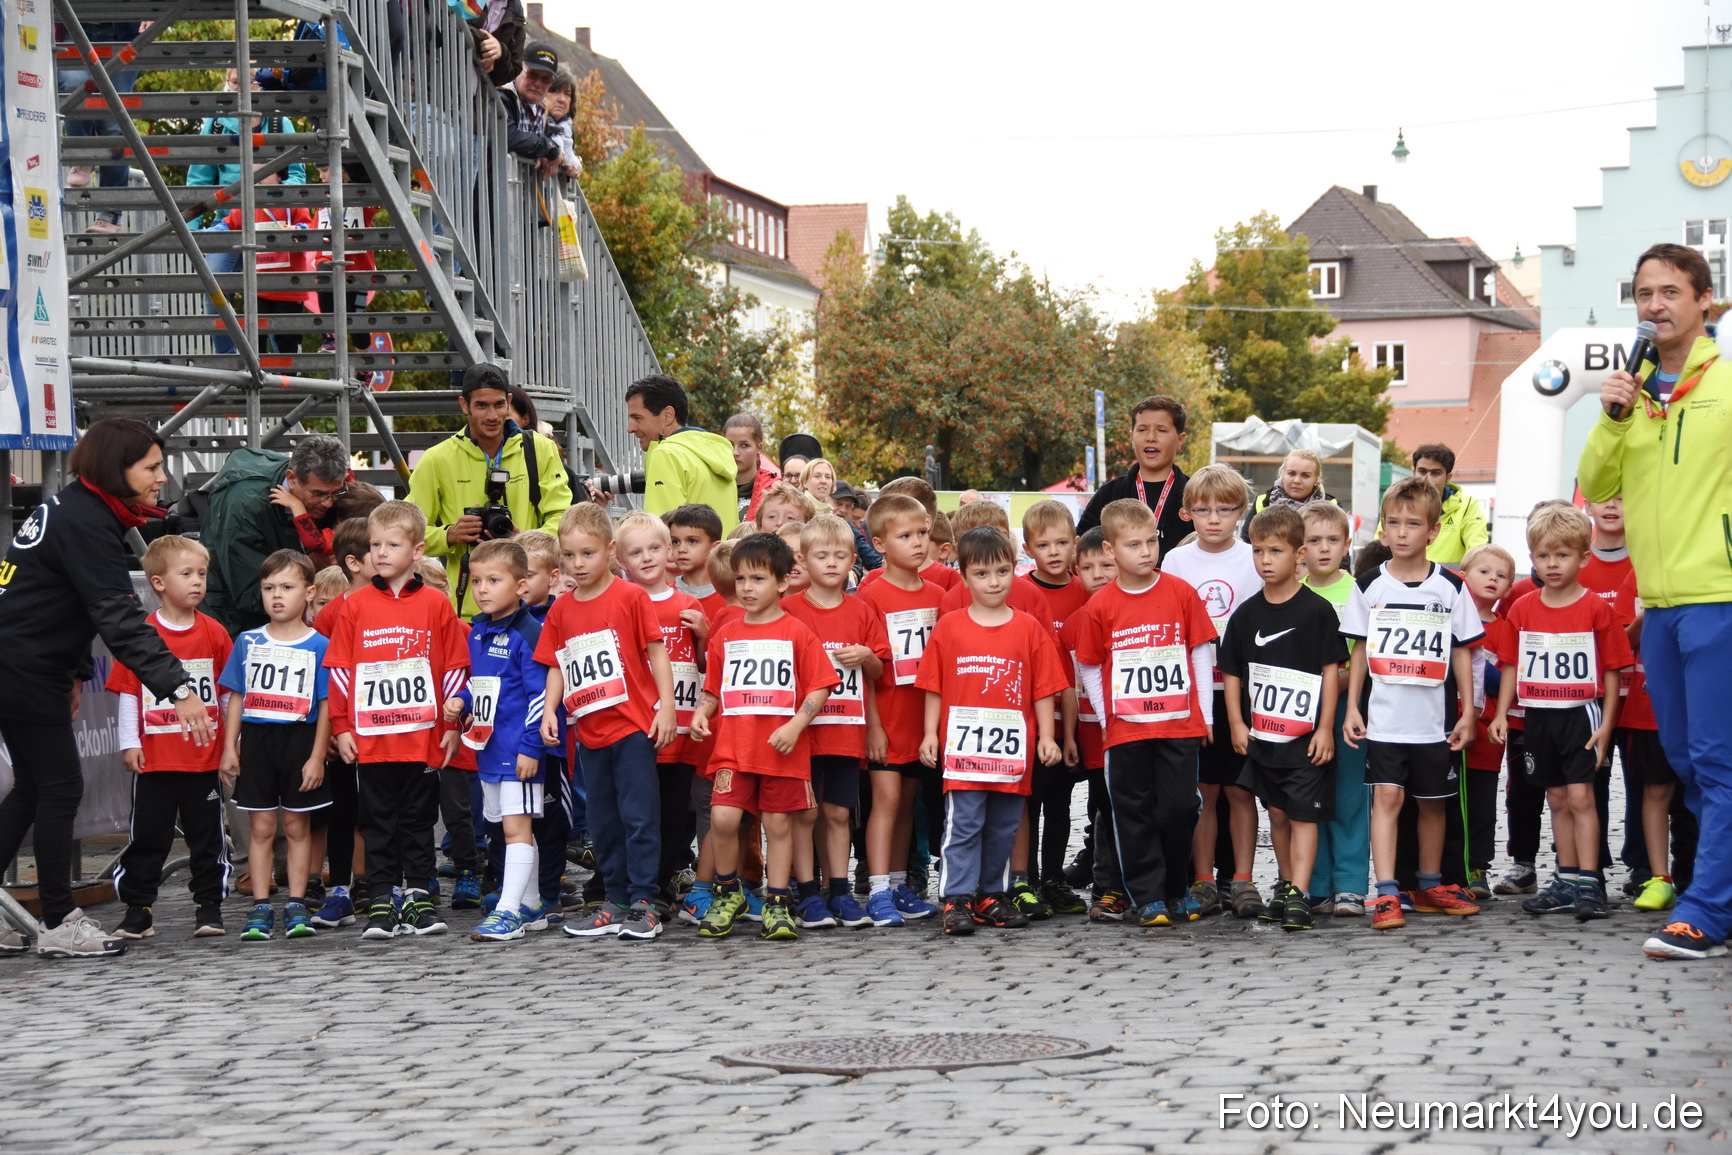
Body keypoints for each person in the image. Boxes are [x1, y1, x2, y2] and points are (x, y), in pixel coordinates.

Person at [0, 420, 213, 960]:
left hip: (27, 665)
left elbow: (56, 599)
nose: (161, 478)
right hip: (20, 666)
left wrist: (72, 675)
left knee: (31, 788)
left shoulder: (77, 509)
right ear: (113, 469)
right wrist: (179, 690)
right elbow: (118, 618)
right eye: (151, 468)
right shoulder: (86, 520)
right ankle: (58, 919)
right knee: (59, 788)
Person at [1581, 243, 1732, 961]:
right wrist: (1614, 415)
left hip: (1721, 597)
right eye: (1644, 292)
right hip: (1661, 606)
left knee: (1715, 756)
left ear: (1705, 300)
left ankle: (1705, 907)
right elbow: (1591, 478)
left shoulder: (1727, 386)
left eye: (1671, 290)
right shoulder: (1631, 398)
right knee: (1684, 759)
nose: (1655, 304)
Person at [1341, 477, 1484, 931]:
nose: (1402, 533)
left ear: (1434, 531)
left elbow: (1464, 649)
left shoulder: (1451, 587)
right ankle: (1386, 892)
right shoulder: (1367, 586)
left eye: (1413, 524)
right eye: (1394, 523)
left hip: (1432, 723)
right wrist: (1352, 707)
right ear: (1382, 530)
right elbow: (1359, 650)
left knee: (1433, 803)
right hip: (1384, 721)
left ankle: (1429, 884)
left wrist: (1468, 710)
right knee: (1387, 798)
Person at [324, 501, 470, 941]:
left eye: (392, 544)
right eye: (374, 545)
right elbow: (340, 669)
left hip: (421, 737)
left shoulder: (435, 604)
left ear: (418, 549)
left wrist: (451, 727)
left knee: (419, 820)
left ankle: (420, 897)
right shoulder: (354, 605)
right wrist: (341, 727)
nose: (382, 552)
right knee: (377, 820)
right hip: (372, 740)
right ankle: (384, 899)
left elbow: (455, 667)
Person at [535, 504, 677, 941]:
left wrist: (667, 707)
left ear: (610, 551)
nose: (578, 564)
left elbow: (656, 651)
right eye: (570, 556)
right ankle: (613, 900)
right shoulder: (560, 609)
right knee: (602, 821)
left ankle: (643, 902)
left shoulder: (630, 597)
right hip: (587, 733)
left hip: (633, 726)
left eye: (588, 554)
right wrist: (548, 711)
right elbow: (556, 664)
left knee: (639, 817)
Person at [1072, 498, 1216, 928]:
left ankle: (1176, 887)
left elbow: (1200, 653)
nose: (1146, 552)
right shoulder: (1102, 606)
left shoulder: (1179, 592)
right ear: (1112, 552)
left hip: (1178, 724)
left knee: (1178, 807)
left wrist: (1204, 715)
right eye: (1134, 545)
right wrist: (1105, 716)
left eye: (1151, 541)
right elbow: (1090, 665)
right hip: (1126, 730)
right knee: (1131, 812)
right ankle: (1148, 896)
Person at [917, 528, 1067, 935]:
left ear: (1015, 571)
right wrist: (930, 734)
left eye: (1002, 571)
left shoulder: (1029, 628)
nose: (994, 581)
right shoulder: (949, 627)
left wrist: (1048, 737)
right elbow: (934, 685)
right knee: (964, 823)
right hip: (963, 753)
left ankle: (989, 893)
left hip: (1010, 754)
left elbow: (1043, 689)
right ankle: (956, 896)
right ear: (963, 577)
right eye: (982, 573)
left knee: (1004, 824)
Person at [688, 534, 838, 941]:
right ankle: (726, 890)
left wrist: (795, 725)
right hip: (733, 749)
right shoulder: (726, 635)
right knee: (722, 817)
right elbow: (713, 689)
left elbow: (822, 685)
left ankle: (776, 901)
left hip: (782, 752)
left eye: (757, 579)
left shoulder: (798, 632)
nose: (748, 588)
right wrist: (702, 711)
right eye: (741, 580)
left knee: (779, 826)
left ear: (783, 582)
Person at [1489, 506, 1632, 923]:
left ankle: (1590, 881)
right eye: (1544, 556)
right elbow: (1512, 665)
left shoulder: (1595, 610)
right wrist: (1501, 713)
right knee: (1555, 797)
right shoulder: (1523, 608)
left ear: (1583, 558)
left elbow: (1610, 669)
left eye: (1563, 555)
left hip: (1579, 715)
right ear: (1532, 559)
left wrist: (1607, 723)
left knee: (1582, 796)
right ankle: (1566, 879)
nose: (1553, 564)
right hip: (1539, 716)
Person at [1217, 507, 1349, 932]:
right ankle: (1287, 883)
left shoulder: (1318, 612)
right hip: (1263, 737)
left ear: (1300, 555)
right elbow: (1232, 670)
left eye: (1276, 550)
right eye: (1258, 551)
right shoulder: (1246, 615)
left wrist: (1326, 726)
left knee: (1303, 815)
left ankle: (1301, 894)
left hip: (1306, 737)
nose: (1265, 560)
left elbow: (1332, 670)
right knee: (1276, 814)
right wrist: (1237, 723)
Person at [107, 536, 233, 942]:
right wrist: (130, 742)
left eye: (202, 573)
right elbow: (129, 692)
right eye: (186, 574)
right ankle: (138, 909)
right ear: (158, 583)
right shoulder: (142, 635)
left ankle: (209, 906)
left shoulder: (214, 632)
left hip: (203, 759)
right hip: (156, 760)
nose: (197, 582)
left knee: (208, 836)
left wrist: (231, 746)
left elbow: (229, 694)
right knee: (148, 835)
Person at [1160, 464, 1265, 920]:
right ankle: (1203, 879)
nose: (1214, 519)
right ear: (1187, 514)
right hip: (1192, 692)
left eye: (1225, 510)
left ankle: (1241, 878)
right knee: (1202, 789)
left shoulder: (1253, 558)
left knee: (1241, 790)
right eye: (1203, 511)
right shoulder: (1177, 562)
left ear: (1241, 511)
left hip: (1242, 692)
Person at [780, 515, 890, 928]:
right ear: (803, 561)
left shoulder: (861, 611)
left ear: (852, 561)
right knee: (804, 813)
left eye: (840, 556)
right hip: (803, 732)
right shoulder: (789, 609)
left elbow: (878, 674)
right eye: (821, 556)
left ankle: (840, 891)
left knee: (839, 813)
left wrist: (867, 657)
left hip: (847, 728)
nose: (831, 563)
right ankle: (809, 893)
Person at [220, 549, 332, 942]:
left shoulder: (320, 645)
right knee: (262, 825)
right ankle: (262, 905)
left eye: (287, 587)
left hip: (299, 740)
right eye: (269, 588)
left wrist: (318, 755)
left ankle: (298, 901)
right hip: (257, 739)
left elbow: (325, 704)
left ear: (309, 592)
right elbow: (236, 695)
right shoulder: (247, 641)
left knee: (298, 824)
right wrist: (229, 746)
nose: (277, 596)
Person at [441, 540, 549, 942]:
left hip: (517, 750)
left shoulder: (527, 633)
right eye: (478, 581)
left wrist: (531, 747)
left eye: (494, 580)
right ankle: (532, 904)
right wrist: (461, 700)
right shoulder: (478, 631)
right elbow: (483, 684)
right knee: (509, 826)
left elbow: (541, 696)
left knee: (516, 830)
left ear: (521, 587)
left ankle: (508, 912)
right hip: (487, 747)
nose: (482, 589)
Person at [407, 363, 573, 618]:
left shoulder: (541, 449)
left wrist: (526, 541)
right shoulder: (436, 459)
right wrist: (449, 535)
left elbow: (563, 518)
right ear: (464, 405)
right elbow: (409, 535)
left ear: (508, 401)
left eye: (498, 404)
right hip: (470, 612)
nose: (492, 415)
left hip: (530, 608)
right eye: (481, 406)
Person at [858, 493, 947, 926]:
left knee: (908, 803)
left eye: (923, 534)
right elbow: (868, 670)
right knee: (887, 799)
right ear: (879, 543)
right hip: (886, 715)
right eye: (905, 536)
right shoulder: (872, 593)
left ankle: (897, 884)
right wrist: (873, 727)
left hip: (920, 717)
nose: (917, 543)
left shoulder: (937, 592)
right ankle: (876, 889)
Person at [614, 511, 706, 913]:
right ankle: (632, 885)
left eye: (655, 548)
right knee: (635, 812)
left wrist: (704, 633)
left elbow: (706, 665)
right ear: (621, 561)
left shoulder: (689, 604)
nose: (648, 558)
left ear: (669, 551)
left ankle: (665, 883)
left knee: (675, 812)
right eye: (637, 552)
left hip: (682, 728)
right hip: (637, 728)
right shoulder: (620, 602)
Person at [1017, 500, 1091, 915]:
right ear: (1028, 549)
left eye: (1062, 542)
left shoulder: (1085, 589)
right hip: (1033, 718)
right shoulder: (1021, 591)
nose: (1054, 552)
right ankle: (1024, 877)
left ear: (1075, 544)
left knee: (1061, 802)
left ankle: (1054, 878)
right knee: (1028, 802)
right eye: (1044, 545)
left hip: (1075, 717)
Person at [1298, 501, 1370, 916]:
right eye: (1313, 540)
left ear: (1346, 545)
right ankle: (1317, 881)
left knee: (1348, 796)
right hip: (1300, 708)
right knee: (1309, 797)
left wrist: (1347, 696)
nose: (1323, 549)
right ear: (1299, 548)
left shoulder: (1356, 591)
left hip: (1347, 705)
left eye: (1332, 540)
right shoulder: (1293, 591)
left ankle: (1350, 884)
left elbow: (1361, 652)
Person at [204, 435, 352, 635]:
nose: (328, 503)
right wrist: (312, 565)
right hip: (231, 619)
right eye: (318, 494)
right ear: (292, 479)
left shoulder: (318, 485)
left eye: (336, 493)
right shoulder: (244, 507)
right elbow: (250, 593)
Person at [307, 519, 374, 929]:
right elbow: (323, 676)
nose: (386, 554)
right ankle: (342, 887)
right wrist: (331, 726)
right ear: (354, 562)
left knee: (382, 808)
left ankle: (383, 882)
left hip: (387, 727)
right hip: (345, 727)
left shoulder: (397, 602)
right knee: (343, 809)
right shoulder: (331, 615)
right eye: (377, 547)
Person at [1057, 529, 1125, 921]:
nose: (1098, 574)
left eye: (1106, 565)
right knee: (1102, 807)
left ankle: (1136, 881)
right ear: (1075, 571)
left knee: (1128, 806)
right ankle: (1106, 886)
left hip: (1131, 732)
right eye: (1088, 567)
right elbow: (1067, 684)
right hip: (1091, 737)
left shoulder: (1132, 611)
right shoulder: (1072, 624)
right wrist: (1069, 735)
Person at [1458, 542, 1517, 901]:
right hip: (1448, 726)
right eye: (1484, 571)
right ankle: (1449, 866)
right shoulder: (1450, 619)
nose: (1492, 578)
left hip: (1487, 731)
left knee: (1481, 803)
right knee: (1446, 801)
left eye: (1501, 575)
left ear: (1509, 588)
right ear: (1464, 577)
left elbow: (1508, 677)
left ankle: (1477, 866)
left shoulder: (1506, 628)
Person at [1076, 395, 1192, 561]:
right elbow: (1081, 549)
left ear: (1180, 440)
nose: (1150, 437)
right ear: (1131, 437)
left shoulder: (1196, 495)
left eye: (1161, 430)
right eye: (1142, 429)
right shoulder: (1110, 494)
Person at [60, 21, 144, 233]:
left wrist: (153, 11)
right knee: (73, 85)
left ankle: (108, 215)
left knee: (113, 124)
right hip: (79, 23)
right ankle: (83, 155)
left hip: (124, 29)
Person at [1410, 445, 1487, 566]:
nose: (1428, 478)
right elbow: (1381, 546)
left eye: (1436, 473)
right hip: (1402, 582)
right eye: (1422, 471)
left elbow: (1478, 552)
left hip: (1450, 584)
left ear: (1448, 477)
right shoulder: (1397, 504)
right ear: (1414, 472)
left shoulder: (1467, 507)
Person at [1241, 449, 1341, 541]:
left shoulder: (1332, 506)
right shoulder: (1262, 503)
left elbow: (1341, 549)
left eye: (1305, 475)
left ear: (1316, 479)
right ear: (1282, 474)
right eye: (1291, 473)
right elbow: (1247, 544)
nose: (1297, 480)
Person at [497, 41, 565, 176]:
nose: (538, 83)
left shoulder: (543, 110)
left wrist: (550, 152)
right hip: (494, 192)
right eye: (532, 74)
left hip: (521, 194)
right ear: (519, 69)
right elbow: (509, 137)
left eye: (546, 79)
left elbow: (552, 143)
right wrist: (547, 149)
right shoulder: (500, 96)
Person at [723, 413, 782, 524]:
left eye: (744, 445)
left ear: (759, 448)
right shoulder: (712, 485)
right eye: (729, 445)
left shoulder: (775, 491)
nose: (735, 452)